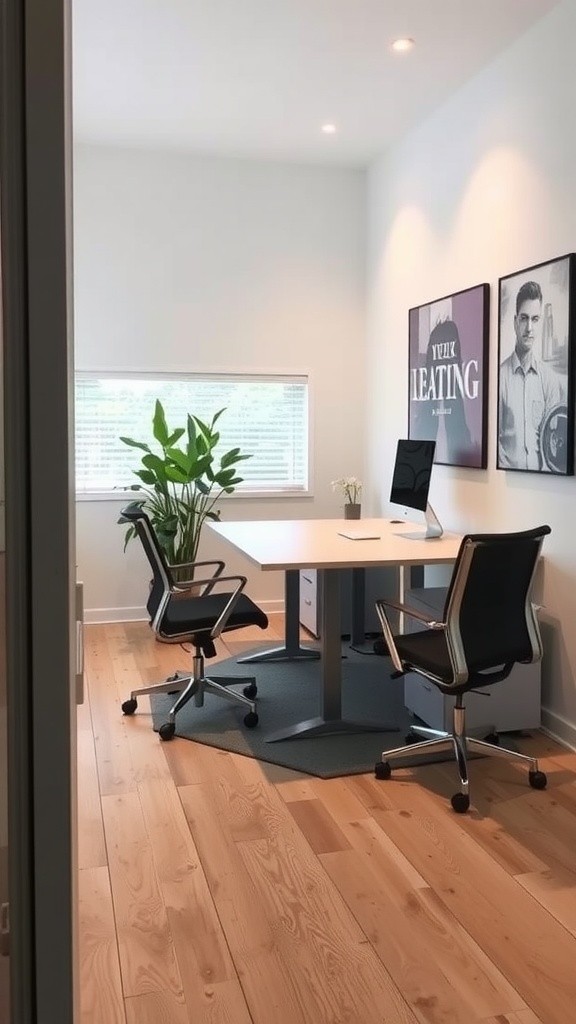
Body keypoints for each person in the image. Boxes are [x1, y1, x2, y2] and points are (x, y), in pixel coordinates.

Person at [498, 280, 566, 471]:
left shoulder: (549, 380)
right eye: (524, 318)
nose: (529, 328)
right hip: (506, 484)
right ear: (515, 321)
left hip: (542, 485)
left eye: (535, 319)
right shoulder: (499, 378)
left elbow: (554, 439)